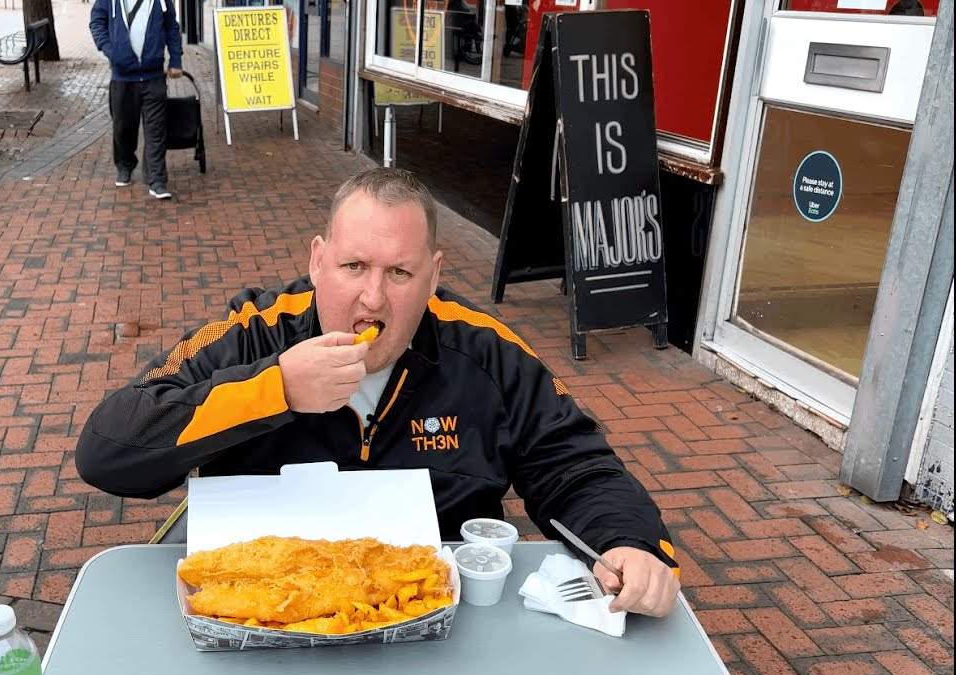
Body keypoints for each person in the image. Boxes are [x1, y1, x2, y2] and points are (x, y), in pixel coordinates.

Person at [76, 167, 681, 617]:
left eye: (399, 273)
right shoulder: (255, 336)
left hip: (428, 615)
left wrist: (626, 541)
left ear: (434, 275)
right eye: (354, 267)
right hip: (258, 610)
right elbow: (109, 448)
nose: (372, 299)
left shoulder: (486, 353)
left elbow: (573, 463)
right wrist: (275, 388)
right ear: (318, 262)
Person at [90, 0, 183, 200]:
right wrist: (110, 50)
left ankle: (157, 180)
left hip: (153, 76)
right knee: (123, 128)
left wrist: (176, 60)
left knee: (156, 130)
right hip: (123, 77)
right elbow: (96, 21)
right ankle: (124, 165)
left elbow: (171, 28)